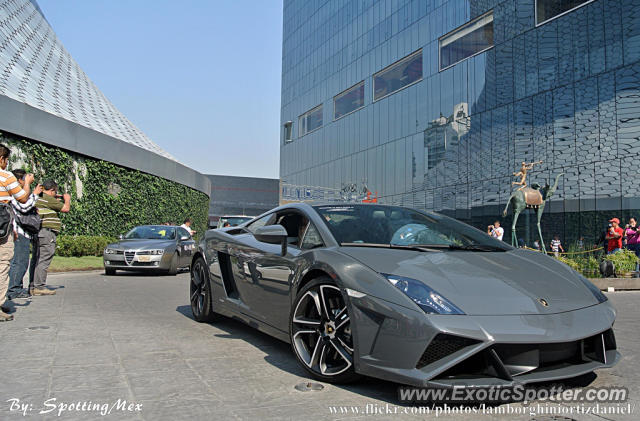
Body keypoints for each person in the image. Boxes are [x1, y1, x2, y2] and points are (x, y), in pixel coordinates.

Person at [0, 144, 33, 321]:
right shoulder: (6, 176)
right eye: (6, 160)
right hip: (2, 230)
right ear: (1, 159)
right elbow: (23, 198)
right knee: (3, 264)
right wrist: (27, 184)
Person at [7, 169, 41, 300]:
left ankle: (16, 287)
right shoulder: (13, 193)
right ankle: (14, 289)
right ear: (20, 180)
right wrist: (35, 194)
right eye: (25, 180)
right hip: (18, 233)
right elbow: (24, 207)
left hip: (23, 233)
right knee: (19, 262)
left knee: (21, 262)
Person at [31, 180, 70, 296]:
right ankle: (39, 287)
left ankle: (33, 285)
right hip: (47, 232)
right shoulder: (48, 199)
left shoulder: (39, 197)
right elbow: (66, 209)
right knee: (44, 259)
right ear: (52, 190)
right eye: (55, 191)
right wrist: (67, 199)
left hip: (39, 232)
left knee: (37, 259)